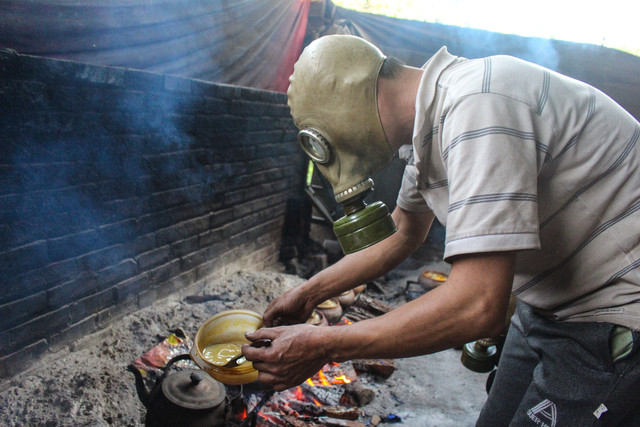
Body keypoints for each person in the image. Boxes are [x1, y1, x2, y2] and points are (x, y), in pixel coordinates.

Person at [242, 35, 640, 426]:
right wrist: (308, 293)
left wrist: (324, 345)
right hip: (548, 306)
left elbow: (477, 305)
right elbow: (403, 232)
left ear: (343, 105)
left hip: (614, 315)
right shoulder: (431, 128)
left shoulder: (477, 106)